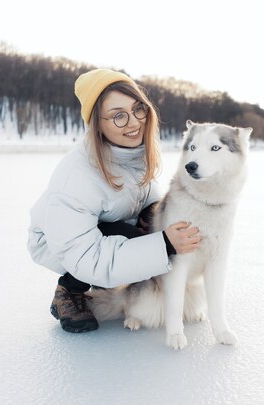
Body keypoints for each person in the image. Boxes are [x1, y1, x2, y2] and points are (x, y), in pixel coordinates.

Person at [27, 68, 201, 333]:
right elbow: (85, 254)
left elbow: (142, 198)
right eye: (118, 116)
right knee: (145, 243)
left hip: (104, 226)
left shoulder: (132, 152)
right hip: (58, 242)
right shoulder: (77, 176)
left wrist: (157, 213)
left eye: (138, 109)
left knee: (148, 229)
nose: (133, 122)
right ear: (98, 124)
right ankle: (69, 290)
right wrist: (164, 243)